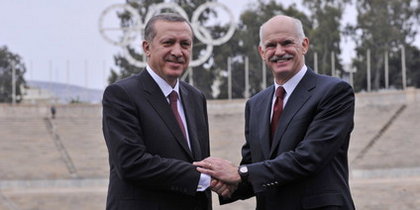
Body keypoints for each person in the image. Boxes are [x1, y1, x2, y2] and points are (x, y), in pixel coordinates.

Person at [194, 15, 355, 210]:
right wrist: (222, 181)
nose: (279, 51)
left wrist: (241, 173)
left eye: (287, 43)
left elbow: (310, 157)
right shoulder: (255, 104)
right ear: (262, 52)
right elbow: (255, 166)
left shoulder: (334, 92)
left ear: (304, 45)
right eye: (271, 45)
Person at [102, 13, 213, 210]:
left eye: (185, 44)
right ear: (147, 47)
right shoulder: (121, 94)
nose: (178, 52)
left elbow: (200, 162)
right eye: (168, 42)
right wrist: (205, 178)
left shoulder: (196, 97)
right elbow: (132, 163)